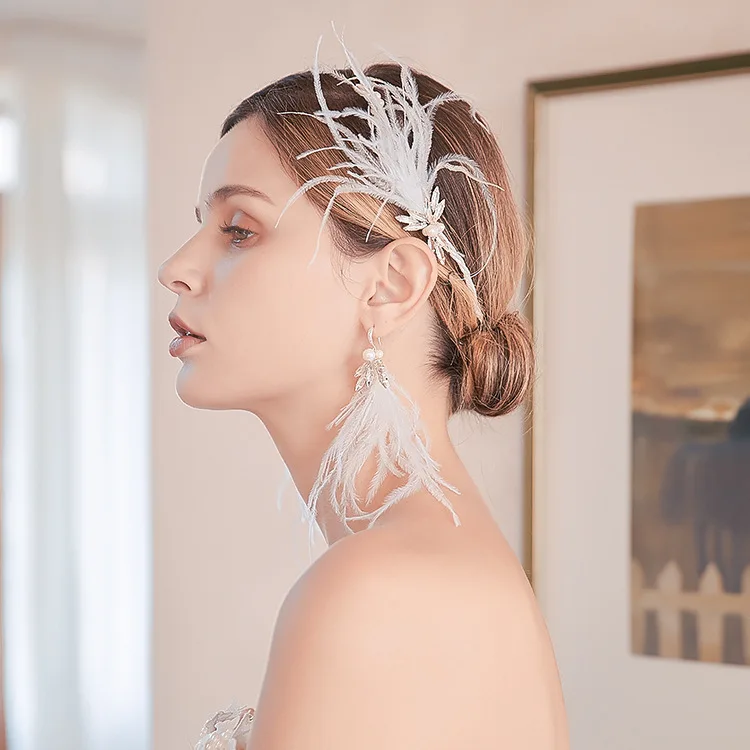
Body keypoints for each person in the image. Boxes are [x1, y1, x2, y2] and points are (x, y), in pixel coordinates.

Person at [158, 29, 569, 750]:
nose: (177, 268)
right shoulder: (439, 566)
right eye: (203, 227)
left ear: (392, 283)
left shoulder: (373, 591)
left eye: (240, 230)